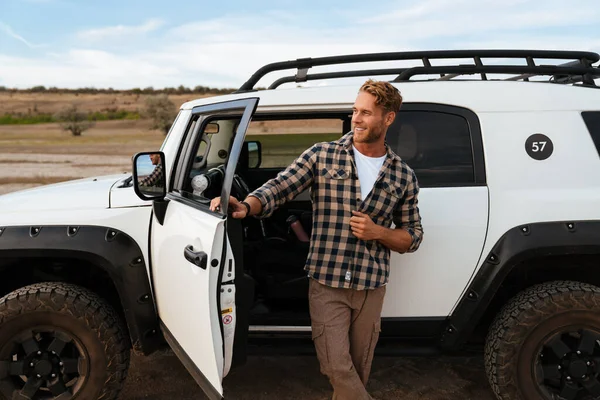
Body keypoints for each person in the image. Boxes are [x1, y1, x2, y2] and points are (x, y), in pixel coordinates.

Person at [210, 79, 423, 399]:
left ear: (388, 118)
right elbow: (279, 188)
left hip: (371, 286)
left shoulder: (402, 175)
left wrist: (378, 232)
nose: (357, 118)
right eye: (355, 111)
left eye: (366, 113)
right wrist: (247, 205)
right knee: (337, 367)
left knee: (358, 369)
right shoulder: (322, 155)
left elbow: (413, 237)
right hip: (327, 282)